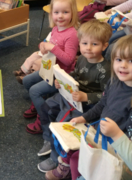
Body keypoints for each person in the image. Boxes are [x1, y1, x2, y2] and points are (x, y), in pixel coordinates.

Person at [45, 35, 132, 180]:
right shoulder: (115, 81)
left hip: (117, 151)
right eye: (119, 59)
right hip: (102, 133)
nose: (122, 65)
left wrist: (116, 134)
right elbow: (102, 104)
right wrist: (84, 117)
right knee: (75, 157)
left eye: (130, 61)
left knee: (82, 161)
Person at [37, 20, 112, 173]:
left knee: (62, 123)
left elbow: (106, 96)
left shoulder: (105, 69)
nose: (88, 48)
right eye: (84, 43)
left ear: (105, 45)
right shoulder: (82, 59)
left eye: (94, 44)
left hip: (85, 105)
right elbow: (76, 74)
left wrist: (86, 96)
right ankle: (48, 137)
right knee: (46, 107)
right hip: (71, 94)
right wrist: (62, 80)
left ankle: (55, 157)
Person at [22, 0, 79, 134]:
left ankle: (44, 119)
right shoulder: (55, 29)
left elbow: (69, 59)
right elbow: (50, 43)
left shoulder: (72, 34)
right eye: (56, 12)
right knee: (27, 80)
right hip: (49, 69)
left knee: (34, 91)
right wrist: (44, 44)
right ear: (51, 13)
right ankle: (37, 104)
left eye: (65, 12)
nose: (60, 16)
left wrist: (53, 48)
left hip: (61, 75)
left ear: (73, 14)